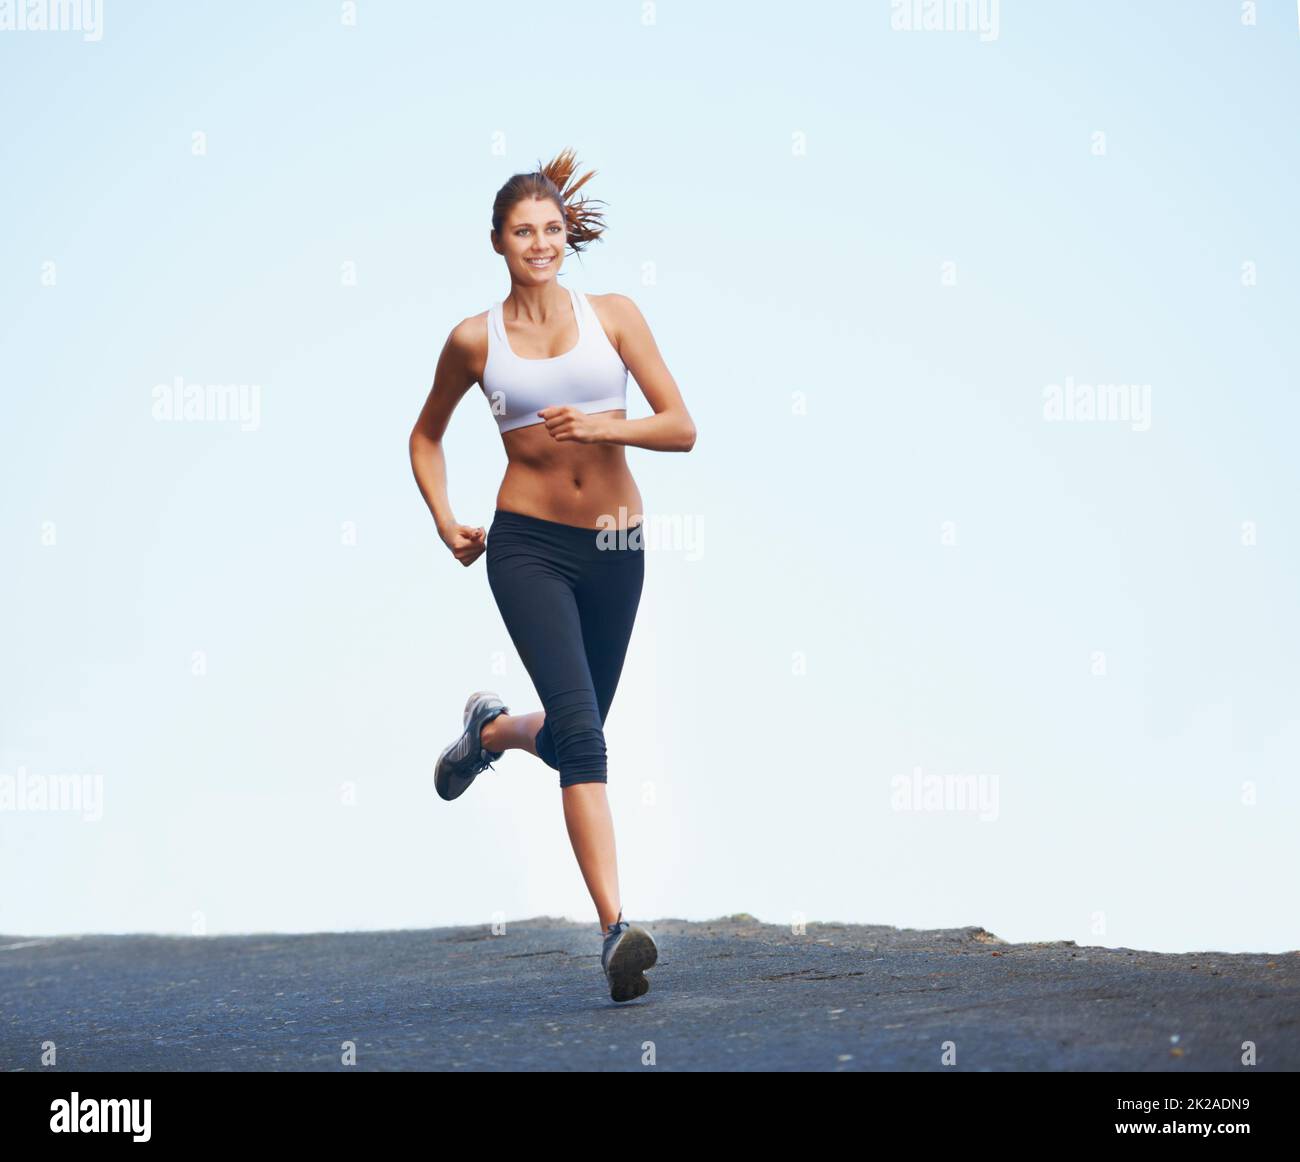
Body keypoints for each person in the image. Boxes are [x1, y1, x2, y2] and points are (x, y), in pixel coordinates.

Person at [408, 147, 696, 1003]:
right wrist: (444, 518)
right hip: (527, 544)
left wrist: (606, 430)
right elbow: (424, 435)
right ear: (498, 241)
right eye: (523, 231)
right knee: (588, 739)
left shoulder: (614, 316)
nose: (540, 242)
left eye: (551, 229)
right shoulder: (474, 340)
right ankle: (615, 932)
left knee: (577, 733)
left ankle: (489, 733)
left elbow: (681, 426)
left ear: (567, 237)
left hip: (614, 543)